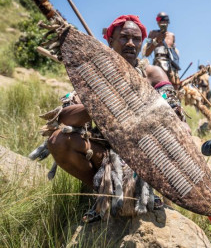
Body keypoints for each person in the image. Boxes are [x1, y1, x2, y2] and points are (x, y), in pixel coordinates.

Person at [30, 15, 185, 222]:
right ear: (110, 42)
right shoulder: (92, 76)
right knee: (58, 140)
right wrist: (99, 104)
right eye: (124, 38)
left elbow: (175, 114)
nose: (130, 43)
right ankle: (100, 192)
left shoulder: (152, 74)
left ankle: (146, 191)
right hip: (105, 153)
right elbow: (65, 118)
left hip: (146, 155)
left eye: (136, 39)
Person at [143, 12, 180, 88]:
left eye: (164, 20)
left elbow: (174, 54)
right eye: (159, 20)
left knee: (172, 88)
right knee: (158, 86)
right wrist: (156, 41)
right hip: (157, 64)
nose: (162, 22)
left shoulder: (172, 36)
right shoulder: (151, 33)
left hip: (170, 67)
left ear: (167, 22)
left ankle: (168, 98)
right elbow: (146, 52)